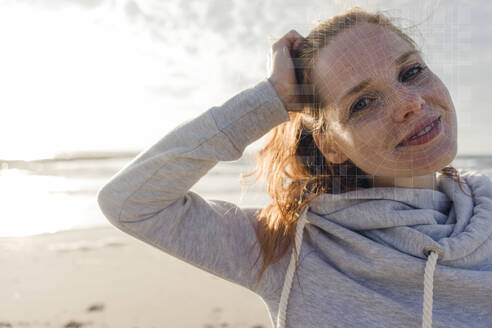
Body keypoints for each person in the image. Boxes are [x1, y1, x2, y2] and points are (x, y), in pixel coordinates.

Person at [97, 7, 492, 328]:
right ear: (330, 144)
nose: (411, 102)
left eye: (411, 71)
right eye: (362, 103)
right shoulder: (289, 246)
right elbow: (130, 202)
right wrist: (270, 98)